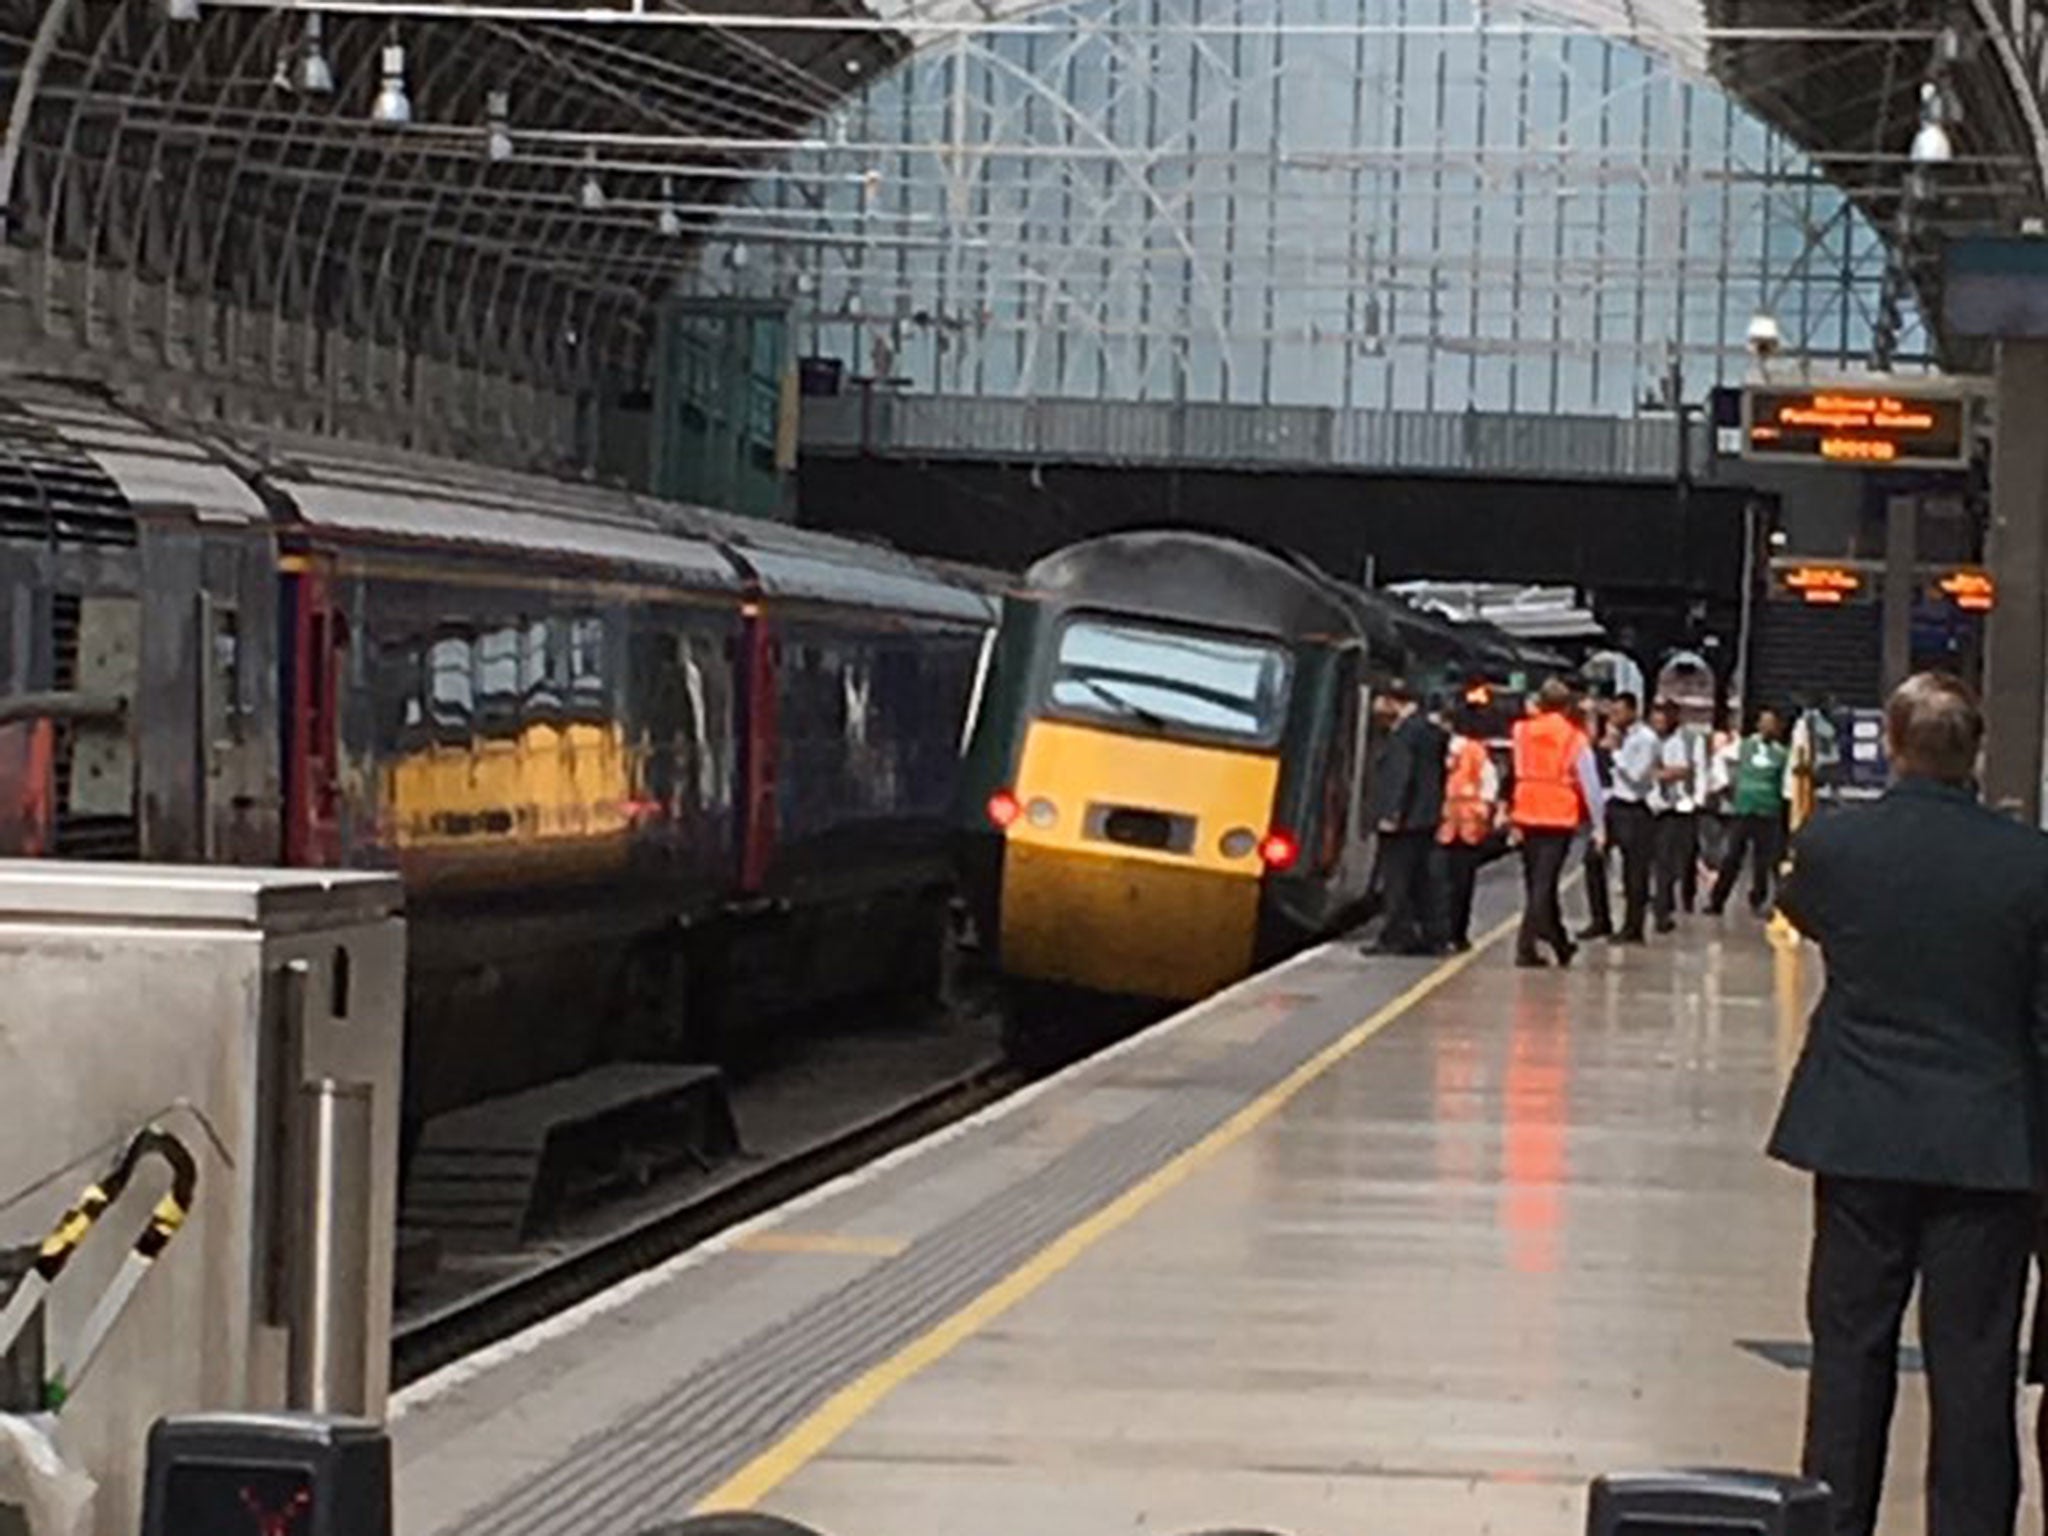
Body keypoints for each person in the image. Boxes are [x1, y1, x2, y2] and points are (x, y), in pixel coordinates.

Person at [1769, 673, 2048, 1536]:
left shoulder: (1834, 848)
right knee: (1975, 1364)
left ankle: (1837, 1519)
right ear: (1978, 753)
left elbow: (1804, 918)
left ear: (1892, 744)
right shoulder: (2031, 863)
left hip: (1858, 1131)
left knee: (1848, 1353)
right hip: (1988, 1143)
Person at [1508, 678, 1604, 969]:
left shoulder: (1521, 731)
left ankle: (1560, 943)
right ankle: (1526, 946)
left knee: (1535, 882)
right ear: (1566, 706)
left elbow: (1514, 769)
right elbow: (1591, 784)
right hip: (1558, 814)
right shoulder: (1574, 738)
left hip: (1526, 809)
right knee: (1544, 884)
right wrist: (1599, 825)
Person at [1367, 680, 1448, 955]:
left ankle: (1395, 936)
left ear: (1393, 701)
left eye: (1380, 699)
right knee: (1423, 879)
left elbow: (1402, 774)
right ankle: (1432, 935)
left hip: (1405, 820)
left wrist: (1391, 813)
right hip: (1425, 818)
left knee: (1397, 881)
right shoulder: (1430, 730)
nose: (1375, 706)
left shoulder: (1405, 733)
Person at [1706, 707, 1789, 918]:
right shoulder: (1745, 746)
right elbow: (1720, 759)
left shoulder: (1782, 754)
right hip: (1743, 808)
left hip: (1768, 810)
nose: (1768, 727)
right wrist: (1724, 787)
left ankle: (1759, 900)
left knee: (1764, 860)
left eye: (1773, 723)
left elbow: (1788, 782)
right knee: (1732, 856)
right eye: (1765, 722)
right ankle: (1717, 900)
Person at [1438, 704, 1507, 951]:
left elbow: (1489, 786)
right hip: (1462, 827)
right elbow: (1491, 786)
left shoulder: (1455, 750)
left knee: (1447, 882)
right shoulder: (1477, 752)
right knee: (1461, 884)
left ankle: (1449, 933)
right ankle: (1456, 934)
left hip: (1450, 826)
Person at [1604, 692, 1658, 945]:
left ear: (1633, 711)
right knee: (1593, 859)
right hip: (1614, 803)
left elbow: (1637, 776)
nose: (1614, 718)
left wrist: (1616, 753)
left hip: (1635, 807)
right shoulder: (1622, 737)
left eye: (1619, 713)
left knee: (1634, 871)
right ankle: (1600, 918)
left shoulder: (1645, 740)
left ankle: (1633, 926)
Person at [1647, 700, 1701, 934]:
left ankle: (1673, 900)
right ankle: (1661, 904)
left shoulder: (1689, 740)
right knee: (1658, 860)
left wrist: (1697, 800)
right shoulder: (1646, 740)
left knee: (1675, 858)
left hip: (1679, 806)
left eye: (1664, 719)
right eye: (1655, 719)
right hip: (1651, 806)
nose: (1659, 724)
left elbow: (1696, 769)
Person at [1577, 697, 1616, 941]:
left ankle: (1605, 920)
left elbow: (1597, 786)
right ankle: (1601, 919)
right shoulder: (1591, 750)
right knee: (1593, 864)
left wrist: (1599, 826)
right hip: (1601, 811)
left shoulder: (1604, 750)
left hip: (1612, 808)